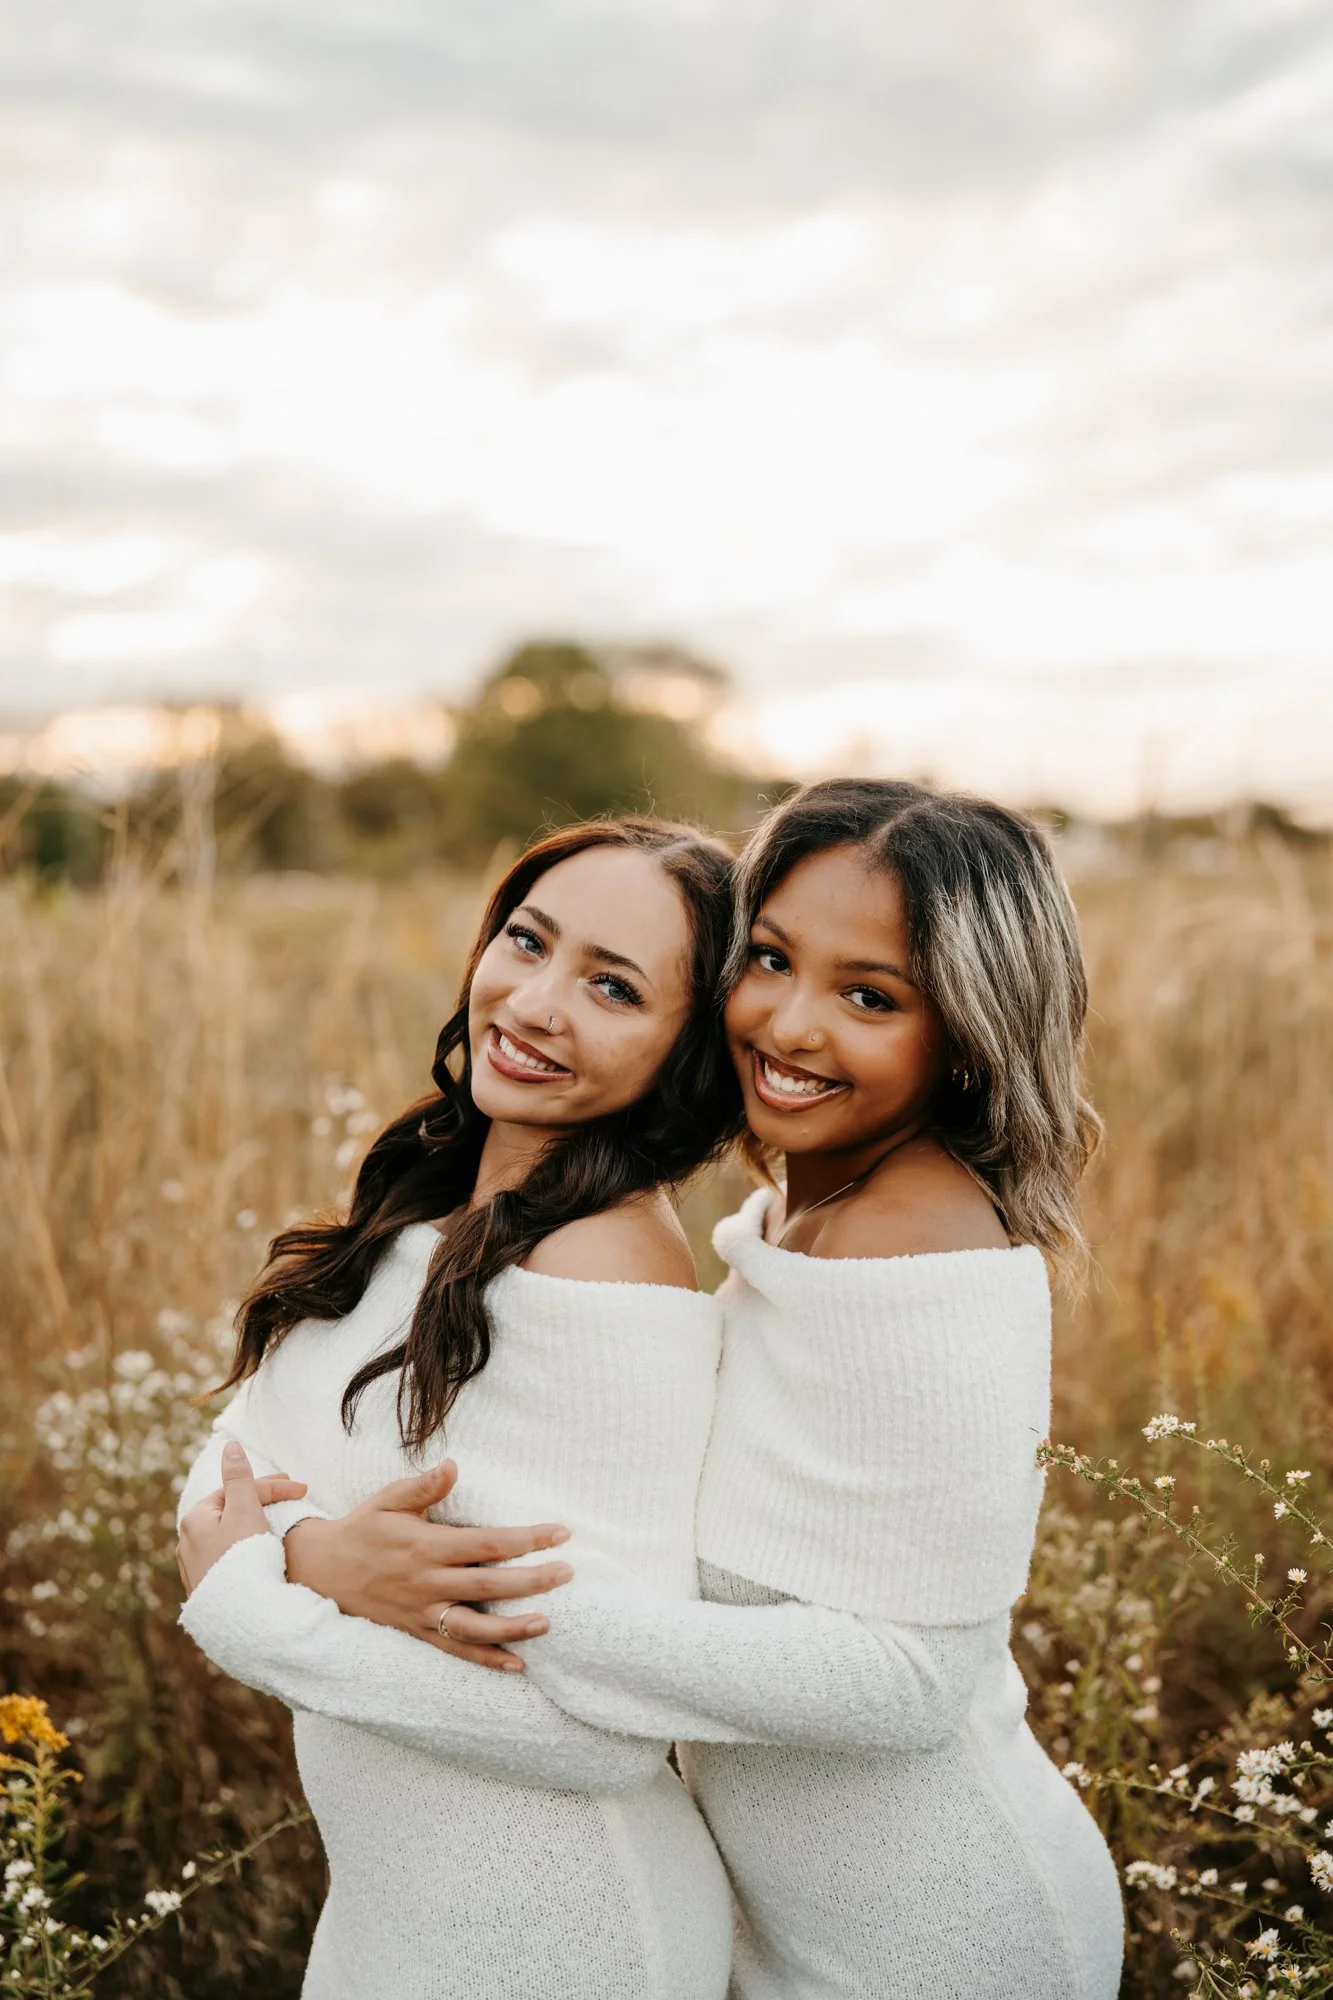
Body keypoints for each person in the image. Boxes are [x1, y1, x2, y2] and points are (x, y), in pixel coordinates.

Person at [274, 780, 1126, 1998]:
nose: (786, 1021)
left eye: (869, 995)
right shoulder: (808, 1207)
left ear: (970, 1032)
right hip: (796, 1908)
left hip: (936, 1933)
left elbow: (909, 1679)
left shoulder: (922, 1238)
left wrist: (456, 1597)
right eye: (769, 958)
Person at [175, 818, 744, 2000]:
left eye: (612, 986)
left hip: (554, 1930)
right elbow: (229, 1465)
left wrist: (260, 1612)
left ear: (684, 1051)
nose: (535, 1002)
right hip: (395, 1901)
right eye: (527, 940)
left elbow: (605, 1724)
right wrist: (320, 1553)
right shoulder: (439, 1194)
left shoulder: (603, 1270)